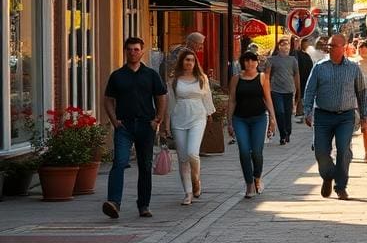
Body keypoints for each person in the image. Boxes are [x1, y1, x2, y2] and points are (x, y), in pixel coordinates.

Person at [101, 36, 168, 220]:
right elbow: (107, 99)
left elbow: (161, 96)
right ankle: (114, 202)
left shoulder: (151, 75)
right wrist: (114, 121)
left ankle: (143, 205)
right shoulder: (117, 76)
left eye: (136, 49)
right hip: (124, 125)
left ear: (142, 51)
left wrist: (158, 119)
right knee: (119, 163)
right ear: (125, 51)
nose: (133, 53)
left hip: (146, 125)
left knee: (145, 166)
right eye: (129, 49)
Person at [303, 34, 367, 200]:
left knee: (343, 150)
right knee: (321, 152)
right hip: (323, 115)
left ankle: (340, 186)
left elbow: (361, 92)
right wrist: (307, 111)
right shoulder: (319, 67)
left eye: (333, 45)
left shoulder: (353, 68)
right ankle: (328, 175)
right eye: (329, 45)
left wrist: (364, 116)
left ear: (343, 47)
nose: (329, 48)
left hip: (345, 117)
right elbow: (310, 90)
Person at [163, 48, 215, 206]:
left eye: (192, 60)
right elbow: (170, 103)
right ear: (182, 62)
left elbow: (207, 98)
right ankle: (188, 192)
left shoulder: (202, 78)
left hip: (198, 117)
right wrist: (166, 125)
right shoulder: (174, 80)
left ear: (195, 62)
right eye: (187, 60)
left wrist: (210, 114)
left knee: (193, 153)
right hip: (179, 118)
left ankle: (196, 179)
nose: (189, 63)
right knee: (182, 158)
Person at [226, 50, 278, 198]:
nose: (250, 63)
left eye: (252, 60)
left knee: (256, 151)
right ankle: (249, 183)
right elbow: (232, 100)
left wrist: (273, 119)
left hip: (258, 118)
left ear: (257, 62)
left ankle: (257, 177)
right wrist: (229, 121)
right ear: (243, 62)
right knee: (243, 150)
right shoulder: (236, 78)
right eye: (247, 61)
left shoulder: (262, 78)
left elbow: (267, 99)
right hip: (240, 119)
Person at [264, 36, 300, 145]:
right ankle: (283, 134)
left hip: (289, 90)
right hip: (276, 90)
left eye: (287, 44)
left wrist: (298, 89)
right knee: (280, 112)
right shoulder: (272, 60)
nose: (285, 47)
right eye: (283, 44)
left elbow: (296, 75)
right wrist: (266, 89)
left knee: (288, 113)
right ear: (278, 47)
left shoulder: (293, 60)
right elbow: (267, 76)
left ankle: (288, 132)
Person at [292, 36, 314, 119]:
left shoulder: (305, 55)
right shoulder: (296, 54)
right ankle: (298, 111)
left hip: (305, 77)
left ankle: (300, 111)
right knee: (299, 94)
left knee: (302, 94)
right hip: (298, 77)